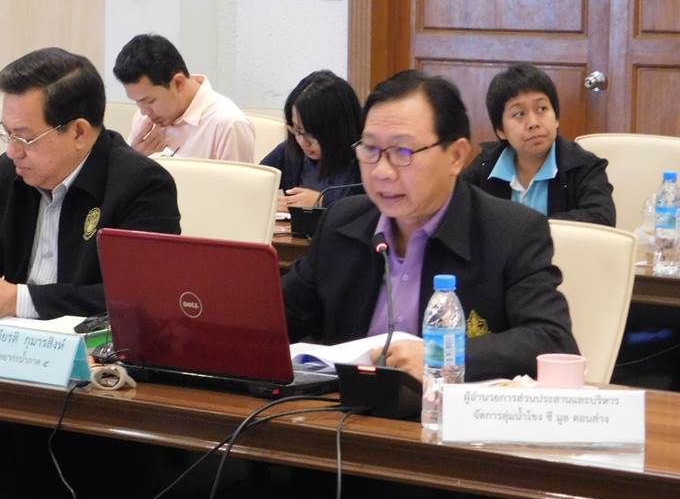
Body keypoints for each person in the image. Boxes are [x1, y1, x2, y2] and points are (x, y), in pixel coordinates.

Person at [282, 69, 577, 381]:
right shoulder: (343, 222)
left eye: (403, 151)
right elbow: (282, 317)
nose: (382, 171)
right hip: (341, 405)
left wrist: (442, 356)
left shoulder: (511, 232)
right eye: (370, 149)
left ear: (456, 156)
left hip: (449, 408)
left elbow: (551, 341)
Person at [0, 46, 180, 319]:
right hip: (4, 339)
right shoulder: (10, 172)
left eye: (25, 138)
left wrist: (18, 300)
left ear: (79, 133)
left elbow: (140, 299)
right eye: (8, 134)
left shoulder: (142, 184)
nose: (12, 151)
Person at [462, 63, 615, 226]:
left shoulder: (584, 166)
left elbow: (601, 219)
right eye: (519, 114)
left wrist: (531, 229)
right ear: (500, 130)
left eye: (542, 109)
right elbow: (452, 209)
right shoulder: (487, 165)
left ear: (556, 118)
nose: (533, 123)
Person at [113, 34, 255, 162]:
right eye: (137, 102)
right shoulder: (144, 120)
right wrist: (132, 160)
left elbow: (236, 184)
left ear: (178, 83)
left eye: (151, 101)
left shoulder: (228, 125)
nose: (144, 112)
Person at [260, 70, 363, 210]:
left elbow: (367, 210)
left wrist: (323, 201)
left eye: (313, 134)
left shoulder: (365, 160)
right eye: (298, 131)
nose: (304, 142)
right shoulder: (289, 150)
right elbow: (256, 181)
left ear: (339, 129)